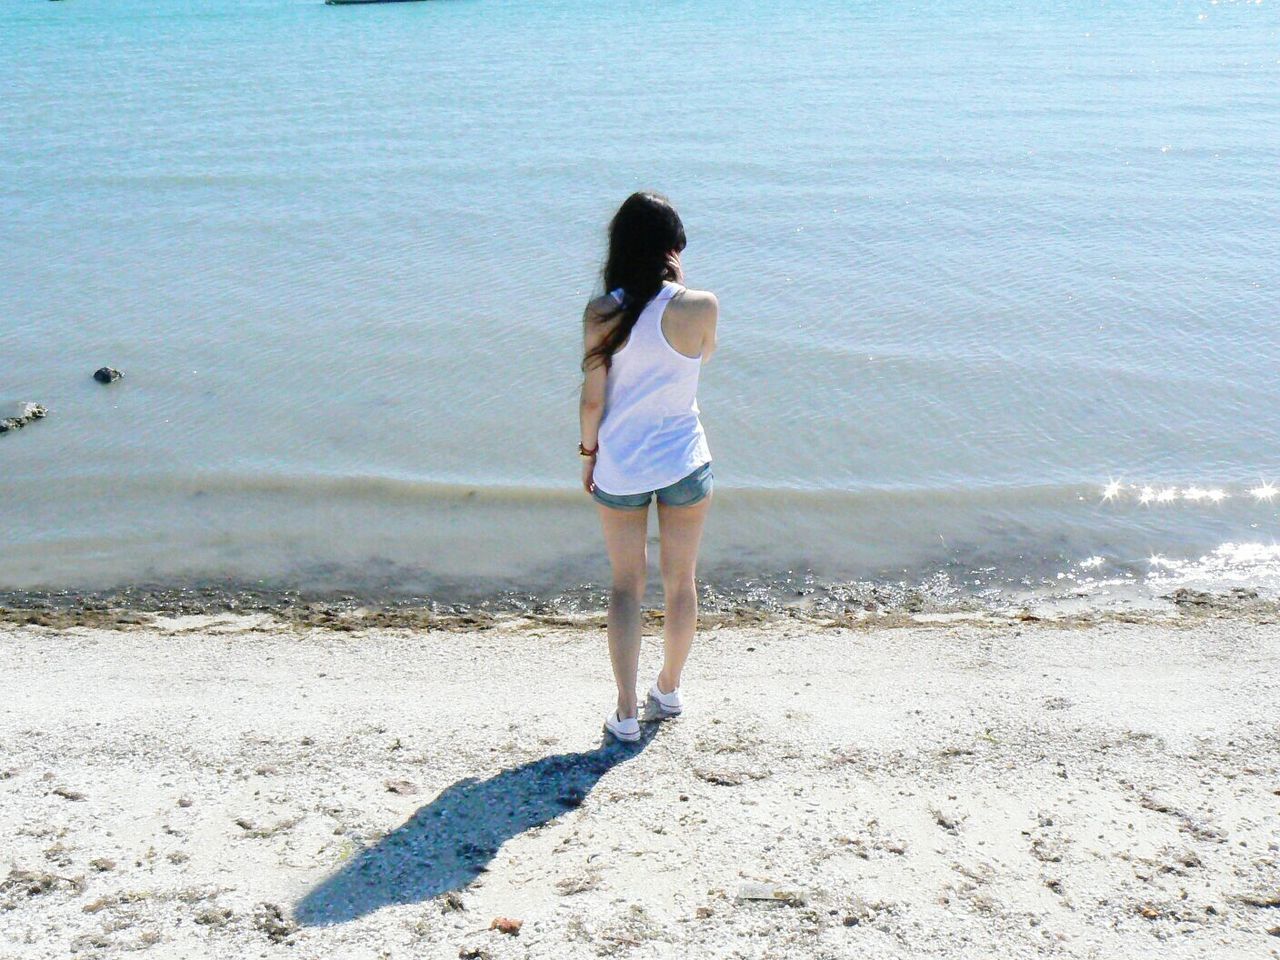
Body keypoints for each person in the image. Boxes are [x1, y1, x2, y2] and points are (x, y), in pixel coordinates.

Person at [577, 192, 719, 743]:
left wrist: (588, 456)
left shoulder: (601, 312)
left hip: (621, 464)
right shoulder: (701, 305)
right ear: (671, 249)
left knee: (626, 587)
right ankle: (669, 688)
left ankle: (627, 712)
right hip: (685, 461)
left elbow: (593, 401)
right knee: (680, 582)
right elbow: (700, 357)